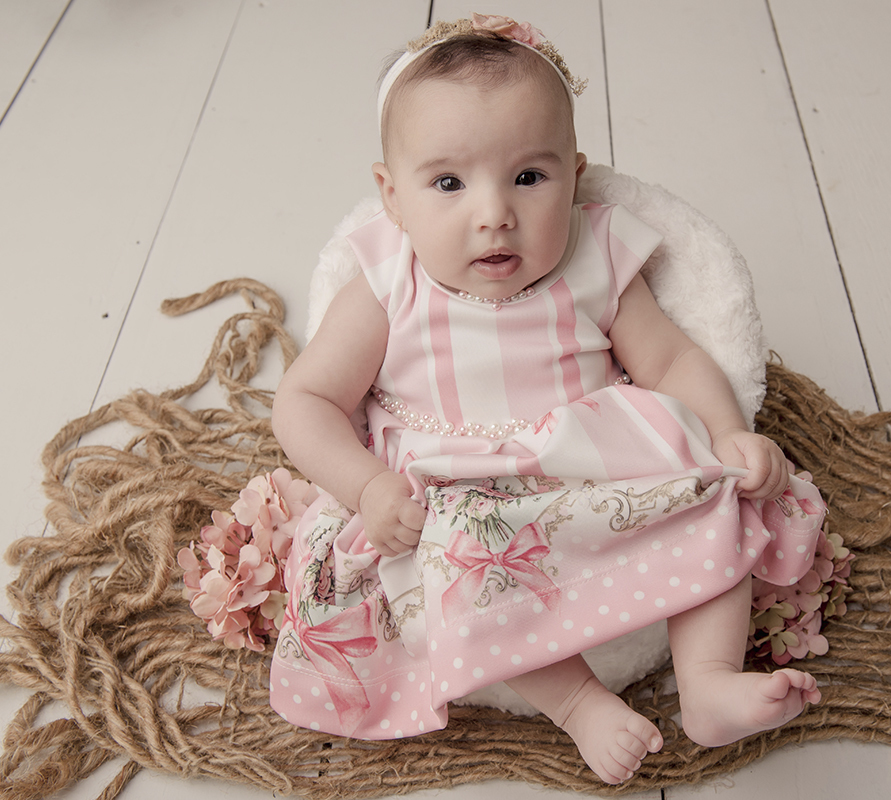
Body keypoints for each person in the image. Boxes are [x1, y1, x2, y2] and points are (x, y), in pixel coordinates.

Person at [268, 14, 826, 785]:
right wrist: (364, 487)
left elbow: (669, 359)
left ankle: (708, 679)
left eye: (530, 177)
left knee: (709, 494)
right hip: (457, 486)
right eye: (448, 183)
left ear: (574, 171)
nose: (494, 212)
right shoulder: (385, 281)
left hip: (595, 463)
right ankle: (577, 704)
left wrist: (729, 432)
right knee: (450, 565)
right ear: (391, 195)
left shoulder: (595, 255)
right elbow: (305, 400)